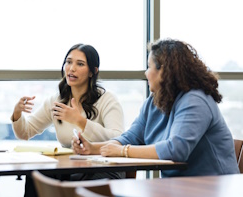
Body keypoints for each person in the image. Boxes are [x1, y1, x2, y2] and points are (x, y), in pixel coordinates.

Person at [73, 38, 240, 177]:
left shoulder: (195, 100)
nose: (146, 73)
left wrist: (123, 151)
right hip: (180, 187)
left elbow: (176, 149)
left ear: (164, 71)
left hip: (216, 187)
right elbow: (132, 136)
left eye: (149, 66)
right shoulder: (154, 101)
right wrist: (93, 148)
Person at [11, 44, 125, 196]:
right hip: (69, 168)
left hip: (102, 169)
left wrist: (80, 121)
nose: (71, 68)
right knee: (36, 176)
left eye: (80, 64)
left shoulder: (107, 99)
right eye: (68, 62)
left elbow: (118, 138)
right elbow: (25, 132)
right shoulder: (56, 100)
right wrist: (17, 114)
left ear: (93, 71)